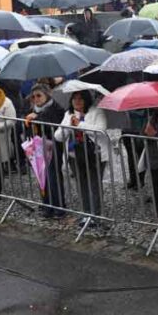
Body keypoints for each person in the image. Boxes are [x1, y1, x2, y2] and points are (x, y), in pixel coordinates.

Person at [54, 90, 109, 227]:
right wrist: (69, 125)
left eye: (80, 98)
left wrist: (80, 124)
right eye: (74, 98)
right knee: (81, 185)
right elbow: (58, 136)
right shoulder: (68, 114)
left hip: (95, 154)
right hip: (75, 155)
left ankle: (95, 216)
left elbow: (101, 130)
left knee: (94, 185)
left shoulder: (96, 112)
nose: (77, 101)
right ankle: (86, 214)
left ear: (86, 100)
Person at [23, 84, 66, 218]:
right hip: (38, 147)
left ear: (46, 95)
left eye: (39, 96)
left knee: (53, 176)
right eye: (33, 97)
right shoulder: (33, 109)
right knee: (41, 176)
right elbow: (27, 126)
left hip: (53, 146)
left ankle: (58, 206)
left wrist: (37, 118)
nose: (36, 99)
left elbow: (54, 124)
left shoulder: (56, 108)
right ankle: (47, 204)